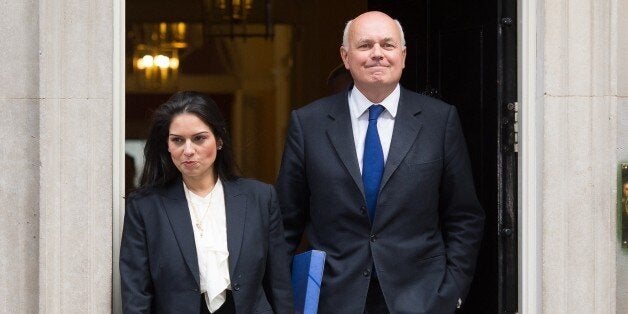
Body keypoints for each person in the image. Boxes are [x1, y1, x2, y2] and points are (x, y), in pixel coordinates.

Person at [276, 11, 484, 313]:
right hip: (332, 299)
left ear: (403, 55)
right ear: (346, 57)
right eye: (365, 45)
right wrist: (281, 300)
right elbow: (285, 222)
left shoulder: (440, 120)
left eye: (387, 45)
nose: (377, 54)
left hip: (421, 298)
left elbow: (464, 215)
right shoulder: (308, 124)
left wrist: (451, 293)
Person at [120, 91, 294, 313]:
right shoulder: (144, 206)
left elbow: (279, 285)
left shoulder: (260, 198)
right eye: (177, 140)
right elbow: (136, 293)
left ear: (219, 140)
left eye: (199, 138)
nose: (188, 150)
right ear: (167, 145)